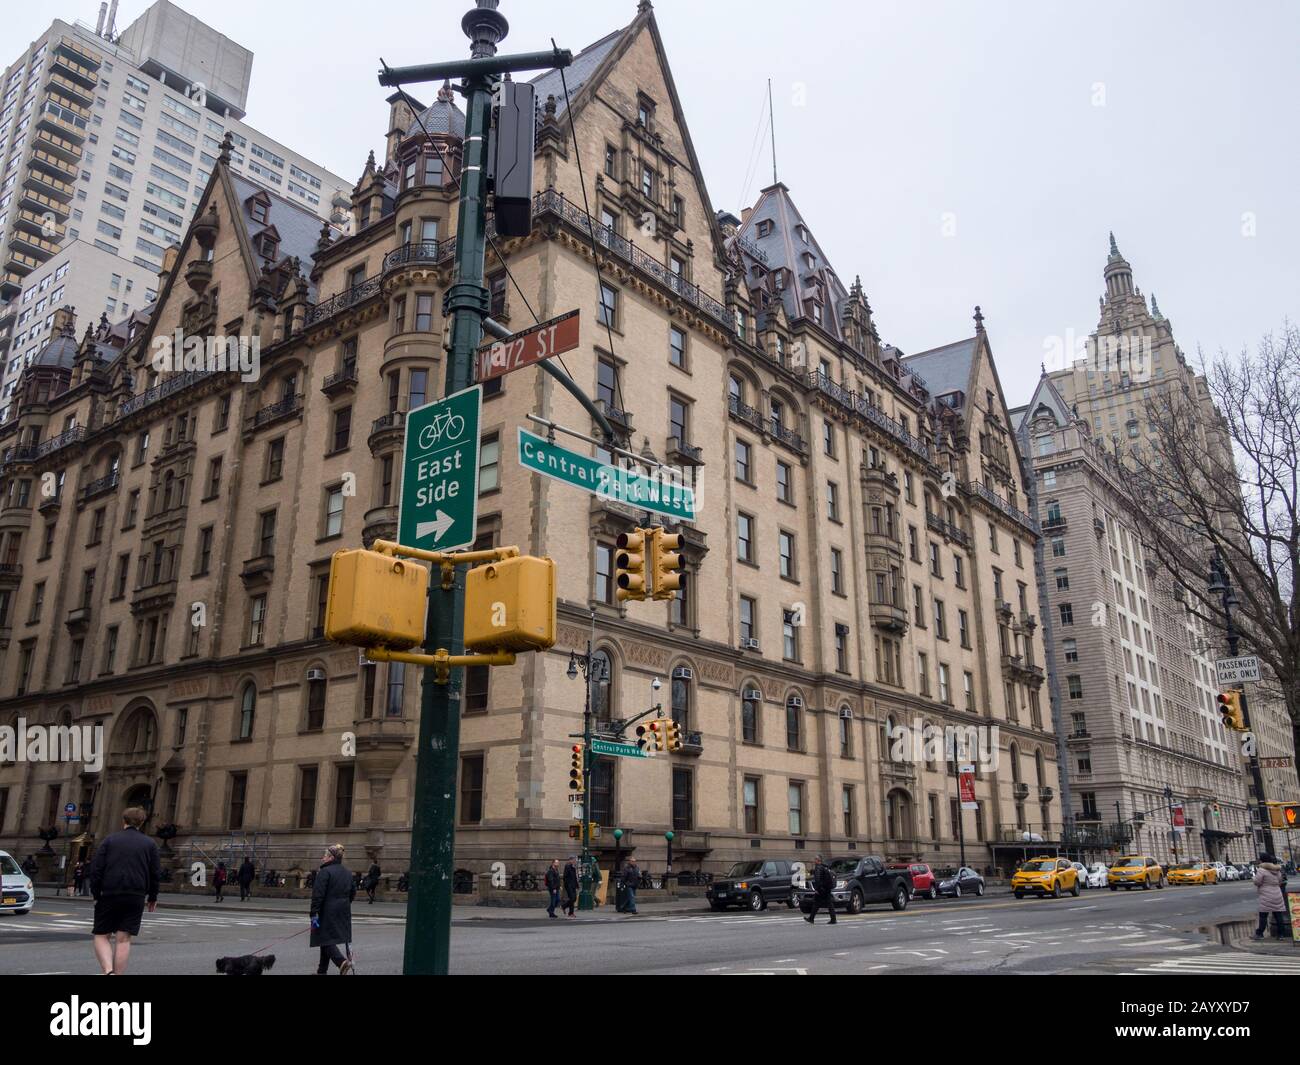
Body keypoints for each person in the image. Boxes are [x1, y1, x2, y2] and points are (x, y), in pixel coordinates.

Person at [88, 807, 161, 975]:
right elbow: (155, 873)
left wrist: (96, 894)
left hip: (109, 893)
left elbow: (96, 870)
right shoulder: (150, 844)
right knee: (123, 939)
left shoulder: (110, 840)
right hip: (135, 895)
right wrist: (153, 896)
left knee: (101, 934)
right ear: (142, 823)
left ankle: (108, 971)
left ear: (124, 820)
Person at [310, 843, 355, 974]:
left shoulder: (325, 872)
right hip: (343, 911)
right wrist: (344, 904)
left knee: (323, 938)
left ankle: (340, 961)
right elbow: (353, 892)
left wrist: (314, 912)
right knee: (326, 938)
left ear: (331, 858)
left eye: (324, 856)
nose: (322, 858)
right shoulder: (347, 872)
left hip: (326, 912)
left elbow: (318, 895)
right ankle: (321, 971)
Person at [1253, 853, 1288, 940]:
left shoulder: (1261, 870)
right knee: (1278, 915)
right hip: (1277, 893)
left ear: (1262, 860)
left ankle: (1259, 933)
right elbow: (1280, 880)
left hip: (1266, 895)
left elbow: (1257, 882)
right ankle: (1281, 934)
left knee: (1263, 915)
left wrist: (1253, 879)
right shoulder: (1277, 870)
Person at [805, 855, 837, 925]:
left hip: (822, 889)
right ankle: (833, 919)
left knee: (817, 903)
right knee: (828, 903)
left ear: (818, 860)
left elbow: (817, 879)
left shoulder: (818, 867)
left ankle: (811, 918)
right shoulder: (825, 867)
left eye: (815, 860)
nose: (814, 861)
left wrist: (817, 889)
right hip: (827, 888)